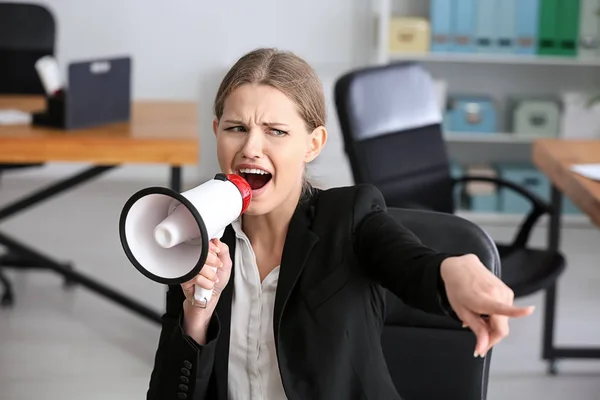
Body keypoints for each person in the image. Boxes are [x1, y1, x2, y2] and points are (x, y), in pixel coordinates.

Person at [147, 48, 534, 400]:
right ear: (217, 132)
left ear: (313, 144)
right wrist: (196, 316)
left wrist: (451, 270)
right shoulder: (198, 231)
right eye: (236, 128)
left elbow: (410, 262)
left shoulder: (350, 217)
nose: (250, 147)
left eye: (276, 131)